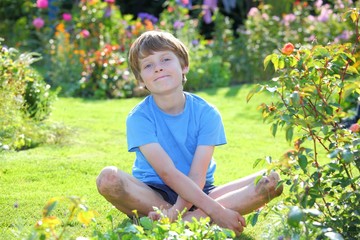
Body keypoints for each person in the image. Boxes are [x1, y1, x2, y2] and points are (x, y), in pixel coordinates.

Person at [96, 30, 283, 236]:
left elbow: (196, 175)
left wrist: (179, 211)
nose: (158, 68)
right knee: (108, 179)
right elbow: (167, 172)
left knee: (272, 180)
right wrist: (216, 210)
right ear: (141, 79)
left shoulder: (206, 113)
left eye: (166, 59)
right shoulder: (139, 118)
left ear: (184, 66)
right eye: (148, 65)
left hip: (200, 189)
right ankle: (194, 220)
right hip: (153, 192)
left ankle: (181, 221)